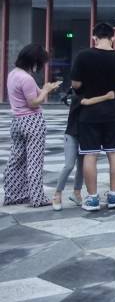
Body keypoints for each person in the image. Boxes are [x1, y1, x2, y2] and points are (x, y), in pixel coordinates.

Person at [71, 22, 115, 211]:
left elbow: (76, 84)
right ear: (113, 38)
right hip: (113, 111)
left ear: (94, 37)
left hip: (89, 112)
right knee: (114, 152)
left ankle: (93, 198)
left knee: (90, 154)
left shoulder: (82, 56)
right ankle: (113, 196)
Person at [3, 44, 61, 207]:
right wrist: (46, 91)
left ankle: (13, 195)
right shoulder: (26, 78)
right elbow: (34, 102)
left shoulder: (13, 74)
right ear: (34, 61)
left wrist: (46, 88)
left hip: (17, 121)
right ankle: (37, 198)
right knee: (35, 161)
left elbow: (33, 94)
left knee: (16, 159)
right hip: (32, 122)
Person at [52, 88, 115, 211]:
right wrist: (107, 96)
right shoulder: (78, 96)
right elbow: (86, 102)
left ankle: (76, 194)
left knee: (82, 166)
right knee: (69, 165)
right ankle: (57, 194)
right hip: (71, 135)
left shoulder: (89, 96)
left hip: (85, 135)